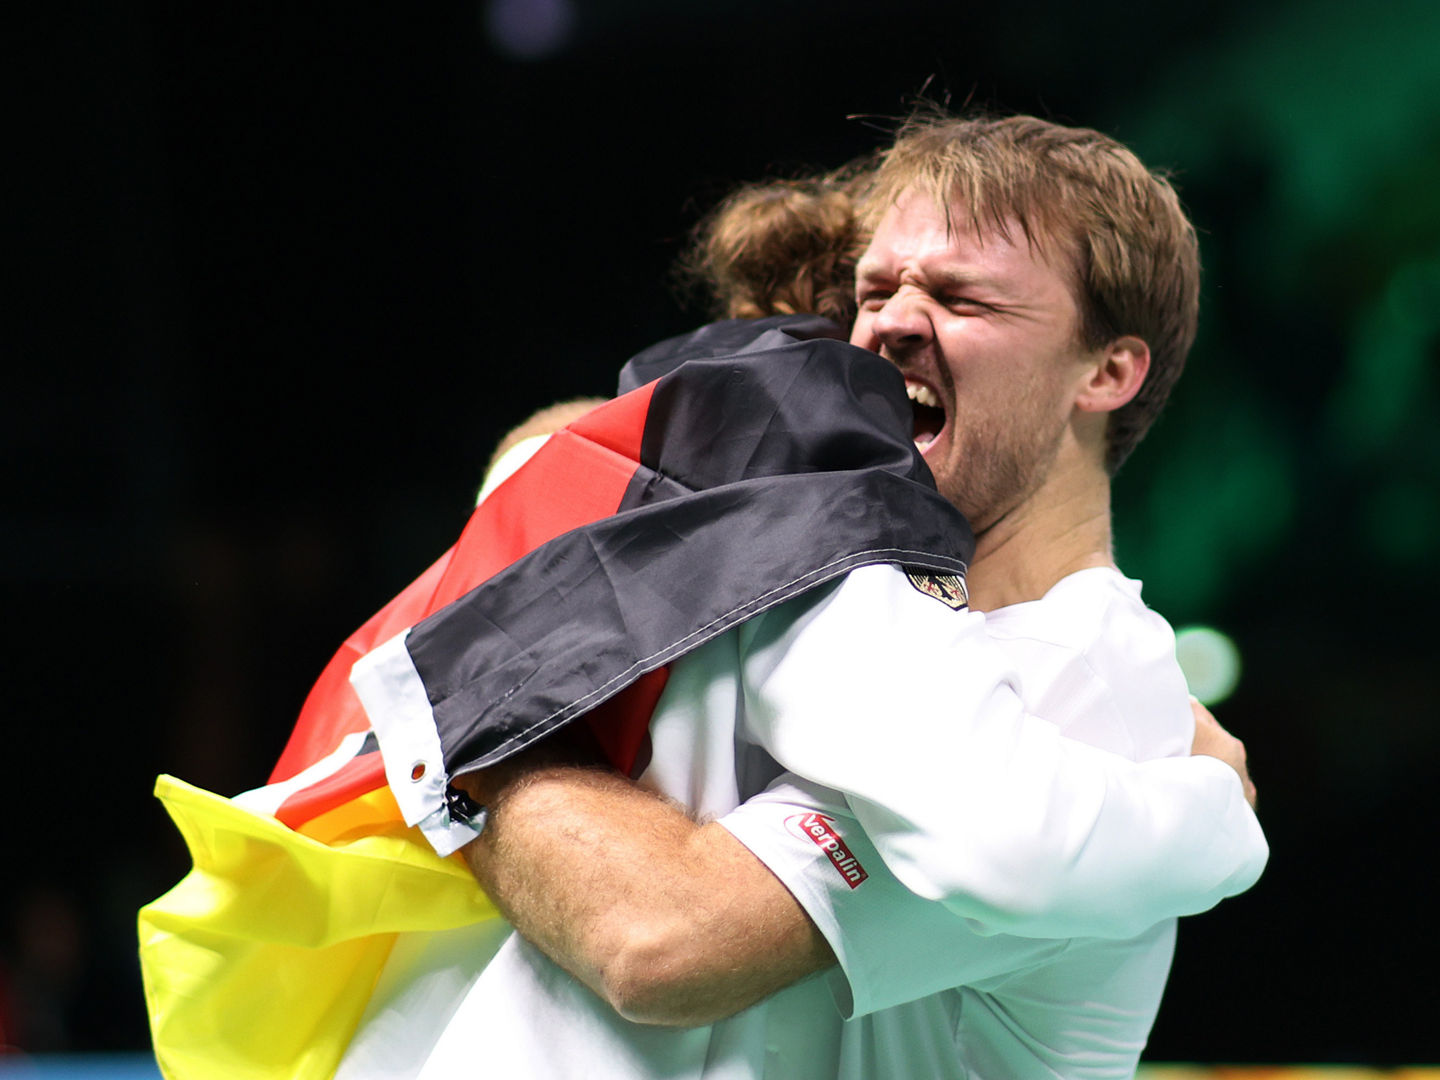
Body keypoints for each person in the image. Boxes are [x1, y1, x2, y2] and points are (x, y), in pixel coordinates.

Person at [335, 111, 1266, 1079]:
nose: (892, 324)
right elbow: (550, 441)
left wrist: (466, 724)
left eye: (964, 299)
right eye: (876, 290)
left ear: (1108, 370)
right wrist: (1207, 826)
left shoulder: (1081, 690)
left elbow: (655, 938)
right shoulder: (823, 583)